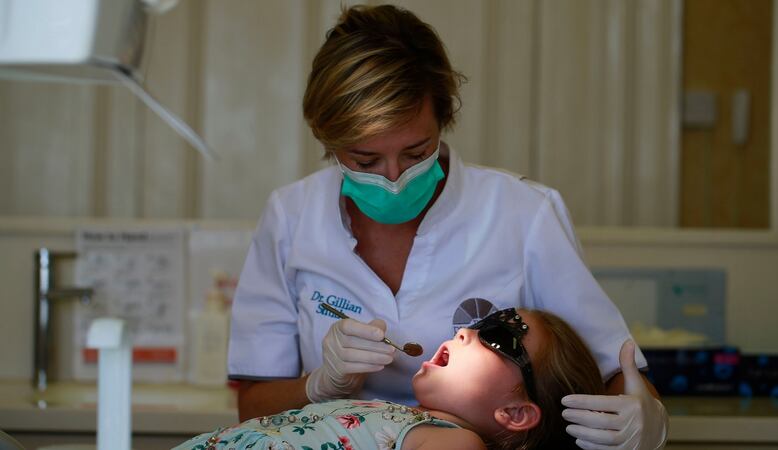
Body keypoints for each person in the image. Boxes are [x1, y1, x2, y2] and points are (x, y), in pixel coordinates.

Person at [228, 4, 668, 449]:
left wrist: (646, 420)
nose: (395, 179)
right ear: (329, 141)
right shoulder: (291, 216)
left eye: (416, 153)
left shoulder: (522, 212)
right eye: (365, 160)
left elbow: (614, 372)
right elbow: (252, 407)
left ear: (443, 120)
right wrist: (320, 386)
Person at [177, 308, 615, 450]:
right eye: (484, 321)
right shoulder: (408, 422)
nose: (465, 331)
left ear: (516, 412)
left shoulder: (455, 443)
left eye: (500, 337)